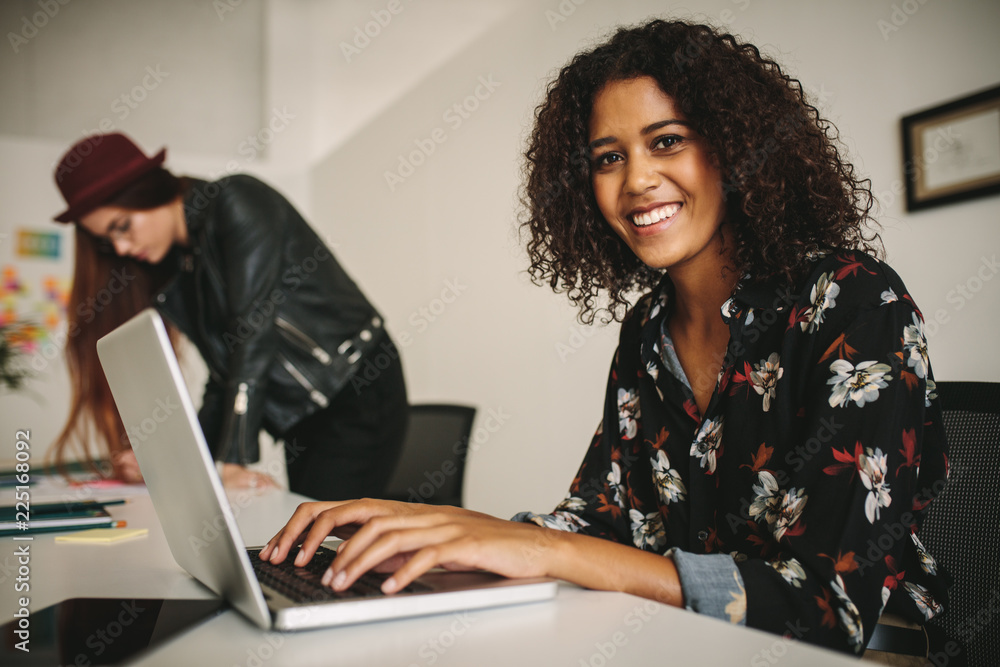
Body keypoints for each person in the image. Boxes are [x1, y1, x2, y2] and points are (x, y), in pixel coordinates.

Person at [258, 19, 950, 658]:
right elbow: (600, 519)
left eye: (667, 140)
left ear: (736, 147)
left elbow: (827, 608)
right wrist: (441, 534)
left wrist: (545, 552)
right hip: (685, 641)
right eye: (607, 157)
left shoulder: (857, 302)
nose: (637, 179)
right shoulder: (647, 329)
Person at [50, 132, 408, 500]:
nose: (122, 247)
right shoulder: (181, 264)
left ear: (150, 189)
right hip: (302, 411)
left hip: (357, 388)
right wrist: (171, 460)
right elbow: (225, 376)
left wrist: (235, 460)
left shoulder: (237, 201)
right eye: (109, 241)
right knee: (311, 530)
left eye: (121, 226)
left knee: (321, 532)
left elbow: (254, 333)